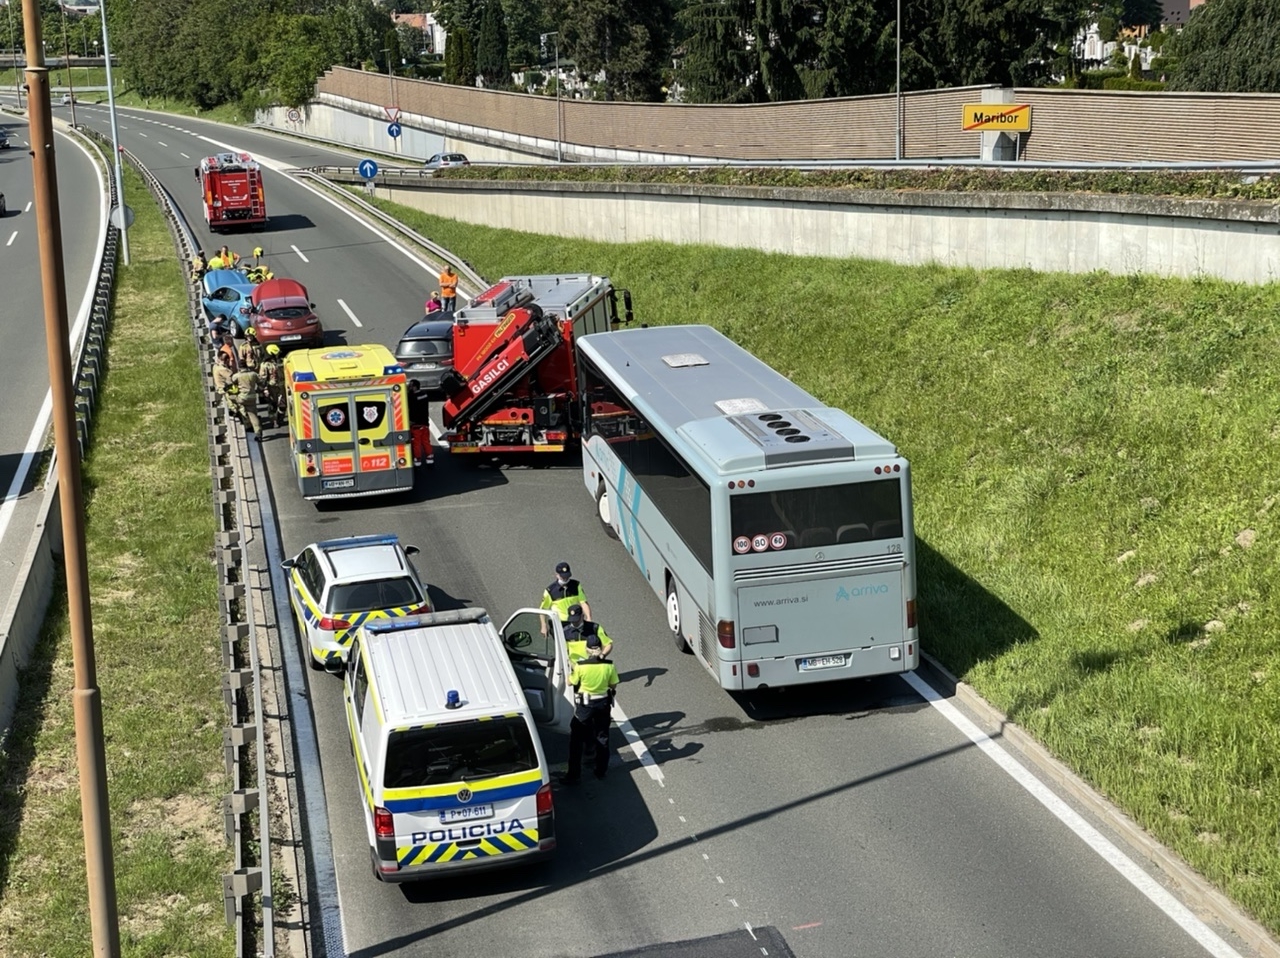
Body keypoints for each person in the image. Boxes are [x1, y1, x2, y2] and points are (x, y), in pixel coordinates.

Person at [560, 633, 619, 784]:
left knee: (576, 740)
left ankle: (574, 774)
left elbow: (570, 682)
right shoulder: (609, 665)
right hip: (603, 705)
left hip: (585, 706)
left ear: (587, 650)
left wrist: (569, 671)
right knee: (603, 737)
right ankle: (601, 771)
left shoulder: (581, 666)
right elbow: (613, 684)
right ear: (600, 649)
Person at [229, 366, 263, 441]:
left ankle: (235, 411)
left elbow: (230, 383)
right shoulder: (253, 374)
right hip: (252, 398)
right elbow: (261, 382)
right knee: (254, 415)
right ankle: (258, 432)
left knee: (230, 397)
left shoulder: (237, 376)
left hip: (242, 398)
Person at [407, 379, 434, 467]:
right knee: (426, 442)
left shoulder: (411, 397)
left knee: (417, 443)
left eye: (411, 386)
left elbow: (409, 402)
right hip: (425, 423)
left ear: (414, 387)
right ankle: (430, 459)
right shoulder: (424, 394)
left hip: (416, 424)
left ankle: (417, 460)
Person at [258, 344, 285, 427]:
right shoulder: (265, 365)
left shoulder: (281, 361)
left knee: (283, 405)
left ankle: (280, 419)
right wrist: (265, 389)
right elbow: (262, 378)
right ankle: (274, 421)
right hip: (271, 387)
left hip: (282, 387)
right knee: (272, 405)